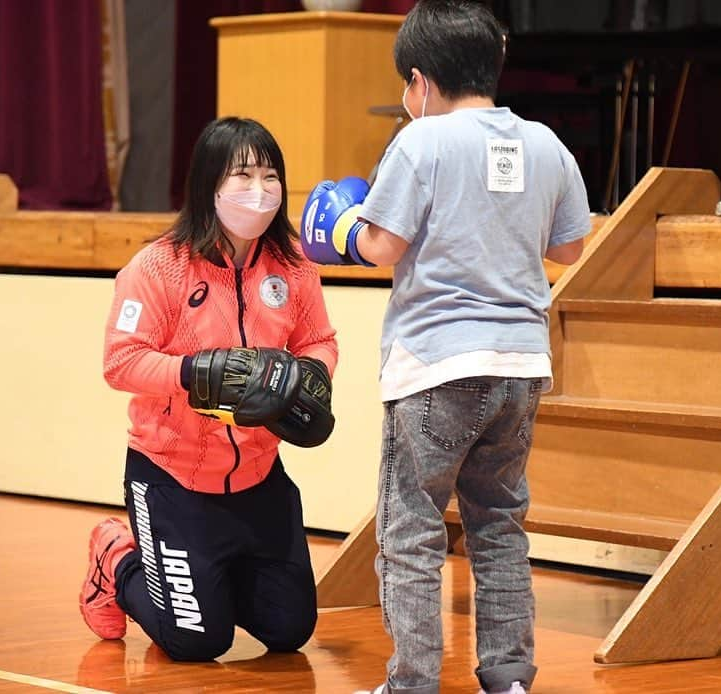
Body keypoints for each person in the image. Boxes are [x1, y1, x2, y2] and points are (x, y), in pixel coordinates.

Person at [299, 1, 591, 692]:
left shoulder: (421, 142)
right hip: (520, 366)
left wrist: (339, 227)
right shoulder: (545, 142)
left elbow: (380, 246)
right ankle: (510, 679)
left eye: (406, 87)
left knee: (410, 530)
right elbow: (570, 246)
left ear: (420, 81)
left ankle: (412, 684)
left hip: (435, 365)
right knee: (498, 526)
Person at [79, 116, 339, 663]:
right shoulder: (158, 267)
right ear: (208, 185)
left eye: (270, 176)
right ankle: (116, 557)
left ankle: (213, 578)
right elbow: (120, 361)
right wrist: (197, 372)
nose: (260, 190)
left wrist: (309, 379)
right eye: (242, 176)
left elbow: (319, 340)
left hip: (259, 478)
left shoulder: (293, 265)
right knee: (198, 642)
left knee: (289, 630)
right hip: (172, 479)